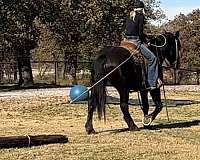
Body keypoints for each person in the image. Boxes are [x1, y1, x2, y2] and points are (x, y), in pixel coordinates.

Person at [124, 0, 162, 90]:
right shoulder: (140, 17)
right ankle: (152, 83)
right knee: (153, 59)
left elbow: (129, 30)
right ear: (141, 9)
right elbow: (140, 33)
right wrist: (146, 40)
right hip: (135, 41)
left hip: (126, 41)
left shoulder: (129, 16)